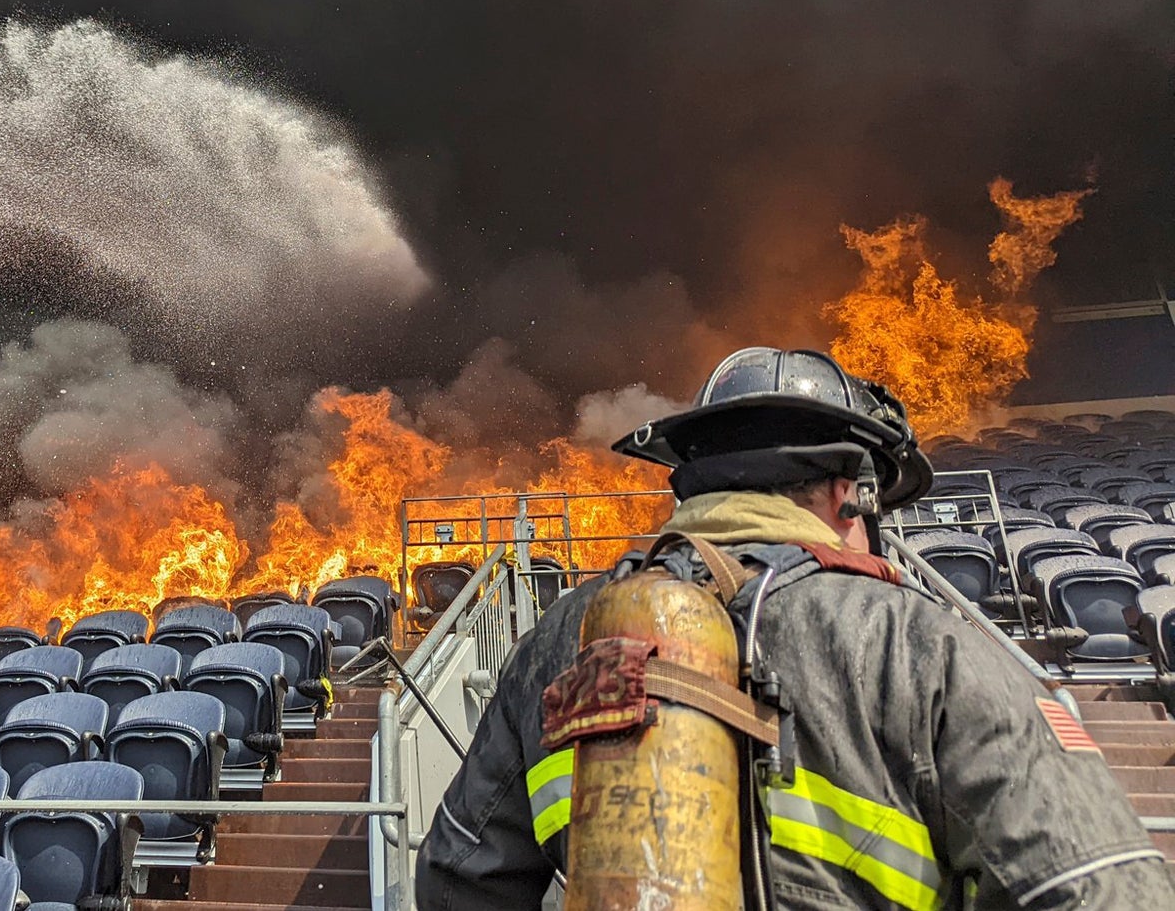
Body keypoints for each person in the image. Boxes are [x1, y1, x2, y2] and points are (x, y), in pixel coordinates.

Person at [415, 347, 1174, 911]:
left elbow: (457, 878)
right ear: (850, 494)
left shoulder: (559, 640)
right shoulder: (925, 646)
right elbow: (1099, 887)